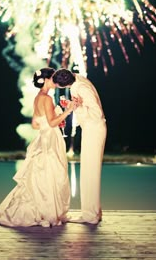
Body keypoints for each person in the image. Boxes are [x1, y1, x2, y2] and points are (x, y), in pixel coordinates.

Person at [0, 67, 75, 227]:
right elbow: (52, 122)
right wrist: (68, 111)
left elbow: (35, 124)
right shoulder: (47, 99)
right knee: (50, 175)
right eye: (53, 77)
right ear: (47, 80)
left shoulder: (38, 97)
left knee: (43, 176)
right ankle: (47, 213)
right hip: (50, 140)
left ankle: (46, 212)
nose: (56, 81)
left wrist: (53, 121)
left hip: (44, 137)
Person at [52, 68, 107, 224]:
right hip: (91, 129)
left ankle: (91, 216)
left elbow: (96, 113)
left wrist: (77, 106)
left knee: (90, 172)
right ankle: (93, 213)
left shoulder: (81, 87)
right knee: (88, 171)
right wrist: (71, 104)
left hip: (94, 129)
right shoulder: (78, 81)